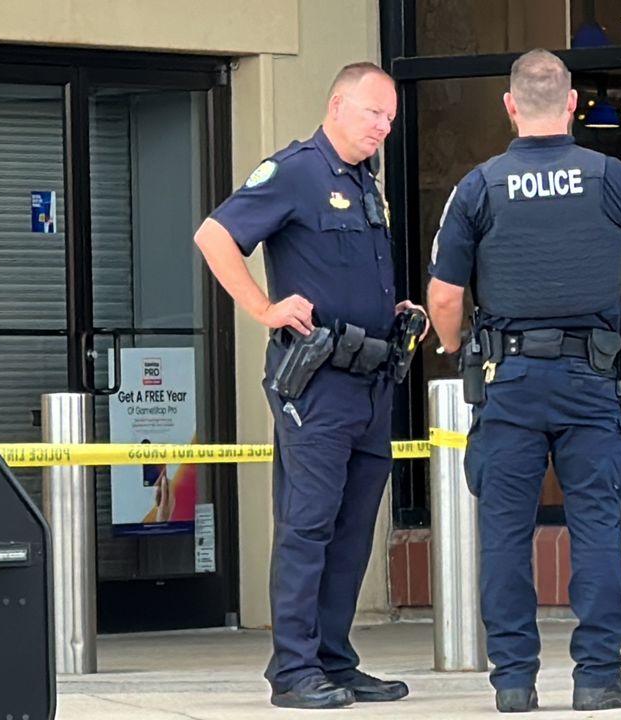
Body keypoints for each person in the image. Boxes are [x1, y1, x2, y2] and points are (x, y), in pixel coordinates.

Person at [425, 49, 621, 713]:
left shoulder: (478, 186)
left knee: (505, 533)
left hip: (506, 379)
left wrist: (456, 349)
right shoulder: (613, 179)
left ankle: (513, 681)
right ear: (570, 104)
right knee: (595, 525)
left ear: (510, 106)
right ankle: (597, 676)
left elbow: (444, 296)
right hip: (588, 380)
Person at [193, 62, 426, 710]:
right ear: (337, 104)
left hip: (372, 380)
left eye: (389, 119)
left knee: (353, 533)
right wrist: (265, 308)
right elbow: (214, 236)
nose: (383, 128)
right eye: (374, 114)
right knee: (308, 525)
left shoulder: (365, 181)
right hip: (318, 383)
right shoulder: (297, 170)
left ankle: (333, 660)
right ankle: (293, 670)